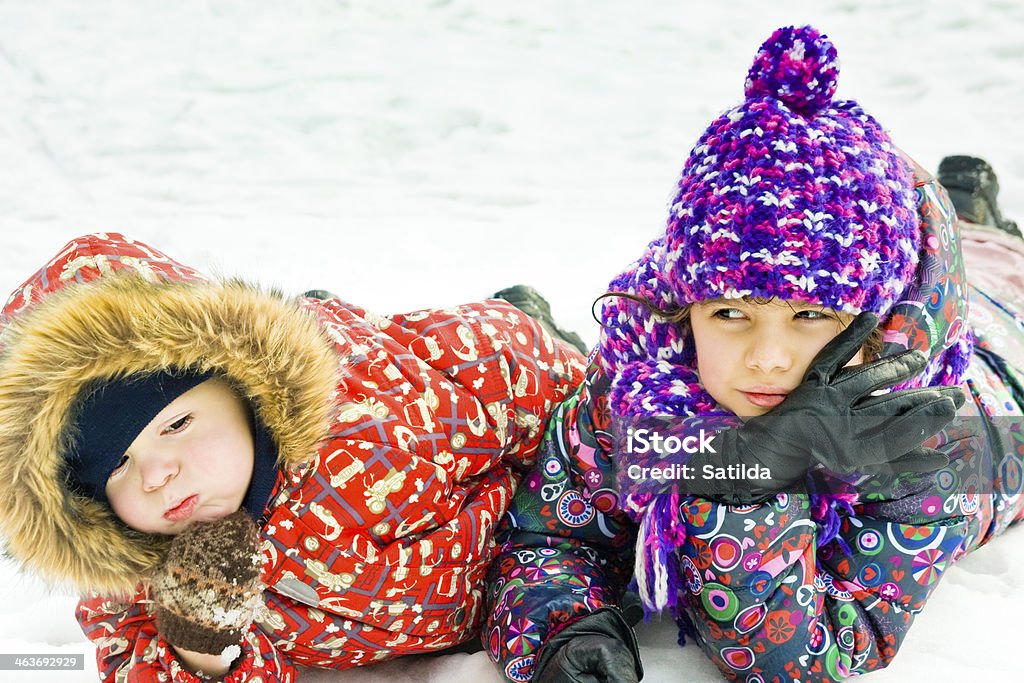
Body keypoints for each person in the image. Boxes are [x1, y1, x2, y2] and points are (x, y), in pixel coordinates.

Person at [483, 25, 1024, 683]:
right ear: (685, 307)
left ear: (872, 319)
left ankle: (980, 223)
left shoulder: (925, 438)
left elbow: (811, 652)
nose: (767, 357)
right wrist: (565, 626)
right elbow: (553, 535)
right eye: (731, 311)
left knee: (1006, 277)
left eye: (812, 315)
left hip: (1006, 369)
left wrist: (749, 483)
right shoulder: (646, 387)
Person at [0, 232, 586, 682]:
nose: (157, 474)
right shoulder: (135, 585)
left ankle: (532, 307)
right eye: (115, 468)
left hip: (517, 531)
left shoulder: (376, 406)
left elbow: (506, 362)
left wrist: (588, 398)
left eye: (176, 424)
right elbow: (136, 666)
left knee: (547, 372)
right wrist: (197, 647)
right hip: (453, 611)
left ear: (237, 384)